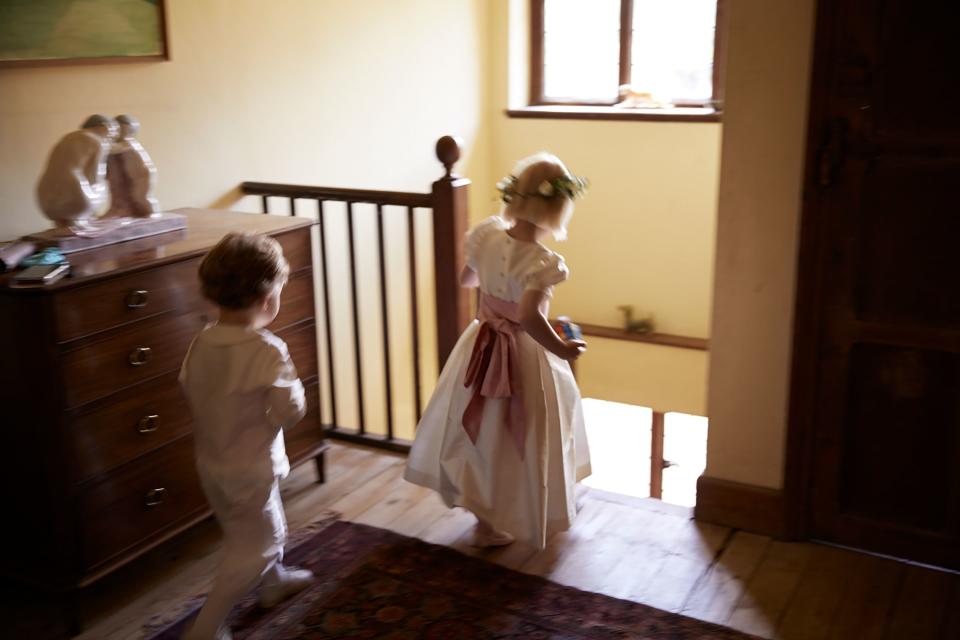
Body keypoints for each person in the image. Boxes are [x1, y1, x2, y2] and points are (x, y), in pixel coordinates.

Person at [404, 152, 592, 549]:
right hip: (522, 354)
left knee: (481, 429)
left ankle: (485, 518)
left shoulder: (486, 235)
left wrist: (489, 272)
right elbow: (527, 317)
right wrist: (561, 348)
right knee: (524, 433)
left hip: (481, 341)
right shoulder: (544, 261)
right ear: (559, 209)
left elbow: (467, 278)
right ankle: (523, 508)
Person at [180, 233, 313, 640]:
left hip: (213, 462)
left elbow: (189, 386)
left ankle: (273, 584)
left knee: (246, 530)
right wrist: (281, 408)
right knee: (260, 543)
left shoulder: (202, 341)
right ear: (266, 298)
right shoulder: (266, 349)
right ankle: (207, 627)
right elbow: (291, 410)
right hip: (251, 466)